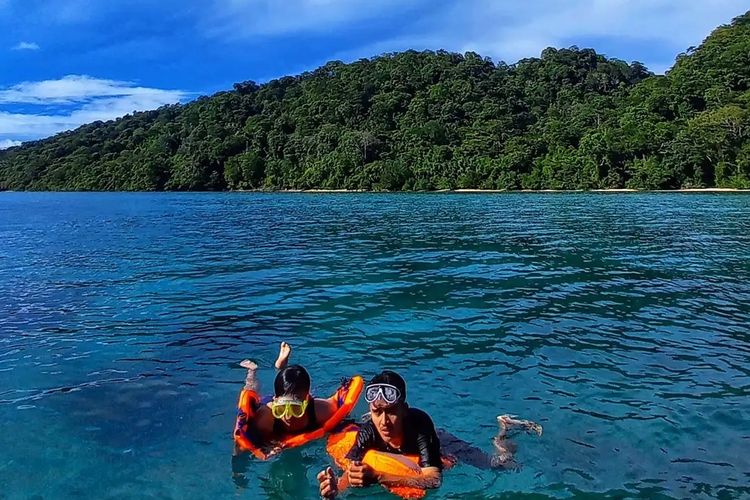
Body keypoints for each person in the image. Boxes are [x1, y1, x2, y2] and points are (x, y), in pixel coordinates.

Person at [317, 370, 443, 497]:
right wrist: (336, 489)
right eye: (377, 412)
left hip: (441, 444)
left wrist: (379, 476)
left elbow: (434, 480)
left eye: (391, 412)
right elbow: (351, 473)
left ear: (404, 410)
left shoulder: (420, 425)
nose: (384, 422)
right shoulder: (368, 431)